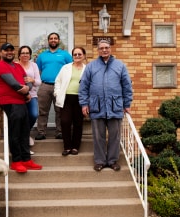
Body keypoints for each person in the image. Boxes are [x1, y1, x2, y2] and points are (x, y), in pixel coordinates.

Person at [79, 38, 133, 172]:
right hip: (96, 106)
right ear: (98, 50)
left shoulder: (120, 66)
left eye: (106, 48)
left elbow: (127, 86)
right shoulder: (91, 66)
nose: (104, 50)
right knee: (98, 136)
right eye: (101, 48)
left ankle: (113, 161)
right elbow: (84, 86)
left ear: (110, 49)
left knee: (115, 135)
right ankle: (100, 161)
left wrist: (127, 104)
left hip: (115, 106)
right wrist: (84, 103)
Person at [0, 42, 42, 173]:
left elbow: (28, 82)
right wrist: (26, 92)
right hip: (10, 102)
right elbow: (14, 84)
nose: (9, 52)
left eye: (11, 50)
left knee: (25, 131)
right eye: (6, 50)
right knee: (15, 132)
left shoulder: (17, 66)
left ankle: (26, 159)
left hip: (21, 102)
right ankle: (16, 161)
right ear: (1, 53)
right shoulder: (0, 66)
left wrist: (27, 90)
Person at [35, 32, 73, 140]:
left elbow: (71, 68)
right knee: (42, 111)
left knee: (60, 110)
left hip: (60, 86)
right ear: (48, 41)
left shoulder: (65, 54)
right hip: (45, 86)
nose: (53, 40)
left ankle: (60, 132)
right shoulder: (42, 55)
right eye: (51, 38)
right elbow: (39, 70)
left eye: (55, 38)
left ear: (59, 41)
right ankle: (41, 132)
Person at [54, 46, 87, 156]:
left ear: (84, 56)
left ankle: (75, 147)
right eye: (75, 54)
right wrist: (57, 93)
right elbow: (58, 81)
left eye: (79, 54)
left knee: (78, 123)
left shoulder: (87, 69)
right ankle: (67, 146)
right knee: (65, 121)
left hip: (80, 99)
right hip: (66, 98)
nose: (77, 56)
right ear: (72, 56)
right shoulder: (66, 67)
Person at [17, 45, 42, 150]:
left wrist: (32, 80)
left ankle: (25, 134)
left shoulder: (34, 65)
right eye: (23, 53)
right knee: (20, 117)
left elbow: (39, 82)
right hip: (18, 95)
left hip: (32, 95)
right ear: (19, 55)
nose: (25, 55)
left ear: (30, 55)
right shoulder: (15, 65)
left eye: (27, 53)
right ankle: (23, 137)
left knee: (33, 114)